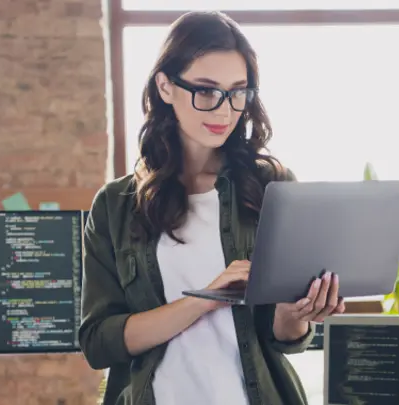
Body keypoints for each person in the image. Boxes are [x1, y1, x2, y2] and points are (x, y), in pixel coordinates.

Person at [79, 10, 345, 405]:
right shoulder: (115, 206)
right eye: (206, 90)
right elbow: (99, 343)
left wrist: (298, 313)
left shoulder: (272, 188)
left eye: (238, 92)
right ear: (165, 87)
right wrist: (205, 298)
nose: (225, 110)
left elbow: (284, 340)